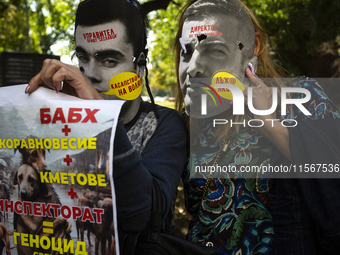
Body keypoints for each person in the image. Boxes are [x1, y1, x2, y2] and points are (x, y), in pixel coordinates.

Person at [174, 0, 339, 254]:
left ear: (254, 46)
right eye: (187, 51)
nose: (194, 67)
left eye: (214, 50)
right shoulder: (189, 119)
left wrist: (270, 125)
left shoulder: (300, 97)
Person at [27, 0, 187, 248]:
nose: (90, 74)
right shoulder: (58, 124)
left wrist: (100, 115)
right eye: (82, 57)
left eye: (109, 61)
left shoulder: (163, 125)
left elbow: (143, 217)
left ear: (140, 66)